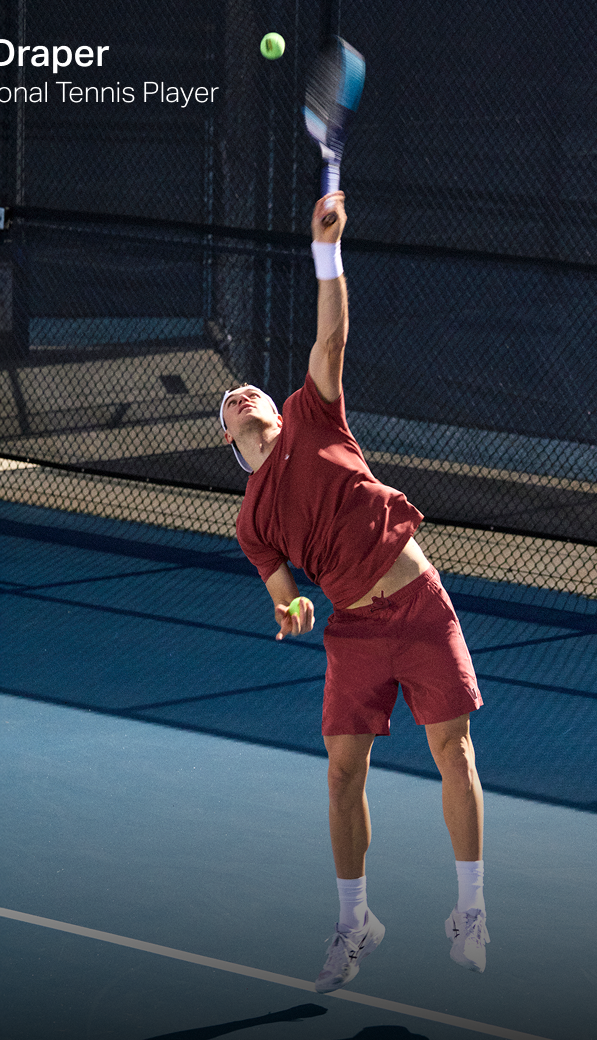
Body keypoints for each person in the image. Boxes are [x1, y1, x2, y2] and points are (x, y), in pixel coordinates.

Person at [219, 192, 489, 990]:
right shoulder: (251, 521)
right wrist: (292, 607)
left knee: (455, 750)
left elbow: (331, 331)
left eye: (249, 393)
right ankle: (352, 923)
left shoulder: (315, 413)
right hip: (355, 633)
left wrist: (325, 253)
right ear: (230, 440)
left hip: (420, 602)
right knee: (341, 775)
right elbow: (282, 592)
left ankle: (470, 909)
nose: (241, 396)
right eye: (228, 406)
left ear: (271, 407)